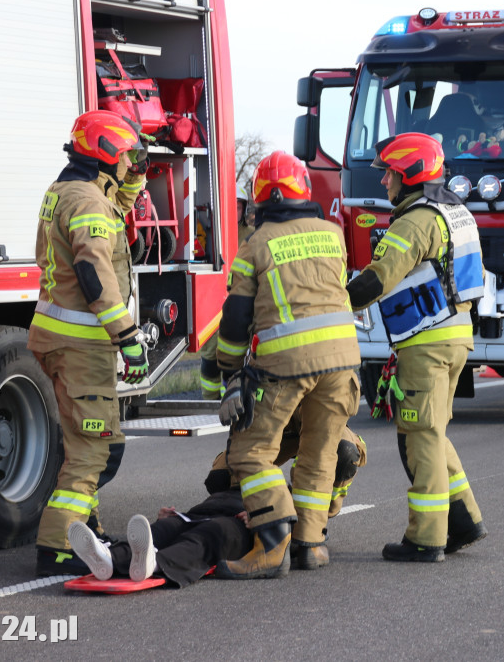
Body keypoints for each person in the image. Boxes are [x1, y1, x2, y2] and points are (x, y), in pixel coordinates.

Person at [215, 150, 361, 578]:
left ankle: (272, 541)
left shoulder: (255, 245)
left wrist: (229, 372)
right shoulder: (332, 234)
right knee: (320, 453)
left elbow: (236, 318)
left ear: (262, 196)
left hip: (286, 364)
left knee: (251, 453)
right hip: (342, 363)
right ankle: (310, 545)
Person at [347, 132, 487, 563]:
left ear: (408, 174)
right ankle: (463, 521)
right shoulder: (454, 210)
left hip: (427, 343)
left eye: (388, 173)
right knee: (435, 432)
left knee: (419, 438)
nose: (384, 183)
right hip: (454, 337)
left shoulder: (415, 221)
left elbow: (379, 277)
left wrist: (334, 303)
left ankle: (426, 538)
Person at [29, 110, 150, 576]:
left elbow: (115, 219)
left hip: (62, 338)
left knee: (89, 441)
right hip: (82, 343)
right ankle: (60, 544)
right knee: (96, 450)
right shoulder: (87, 202)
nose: (131, 165)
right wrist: (127, 336)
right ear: (105, 156)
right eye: (127, 157)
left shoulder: (74, 191)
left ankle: (87, 528)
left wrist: (134, 181)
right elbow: (94, 271)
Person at [66, 428, 366, 587]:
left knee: (212, 534)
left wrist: (269, 519)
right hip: (219, 502)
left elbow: (303, 508)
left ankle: (155, 563)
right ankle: (109, 558)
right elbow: (226, 472)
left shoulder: (311, 482)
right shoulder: (263, 446)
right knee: (170, 524)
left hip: (248, 520)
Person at [199, 184, 253, 400]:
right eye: (231, 206)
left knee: (237, 354)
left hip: (239, 303)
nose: (235, 211)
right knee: (210, 355)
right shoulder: (210, 234)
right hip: (213, 303)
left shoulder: (252, 237)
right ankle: (210, 400)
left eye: (239, 207)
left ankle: (231, 398)